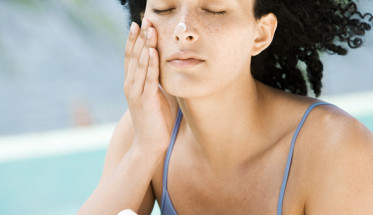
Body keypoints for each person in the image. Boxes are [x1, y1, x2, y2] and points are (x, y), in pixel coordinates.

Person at [77, 0, 373, 214]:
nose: (183, 30)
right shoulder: (145, 130)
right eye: (164, 9)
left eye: (214, 10)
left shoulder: (336, 150)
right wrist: (145, 149)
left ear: (261, 34)